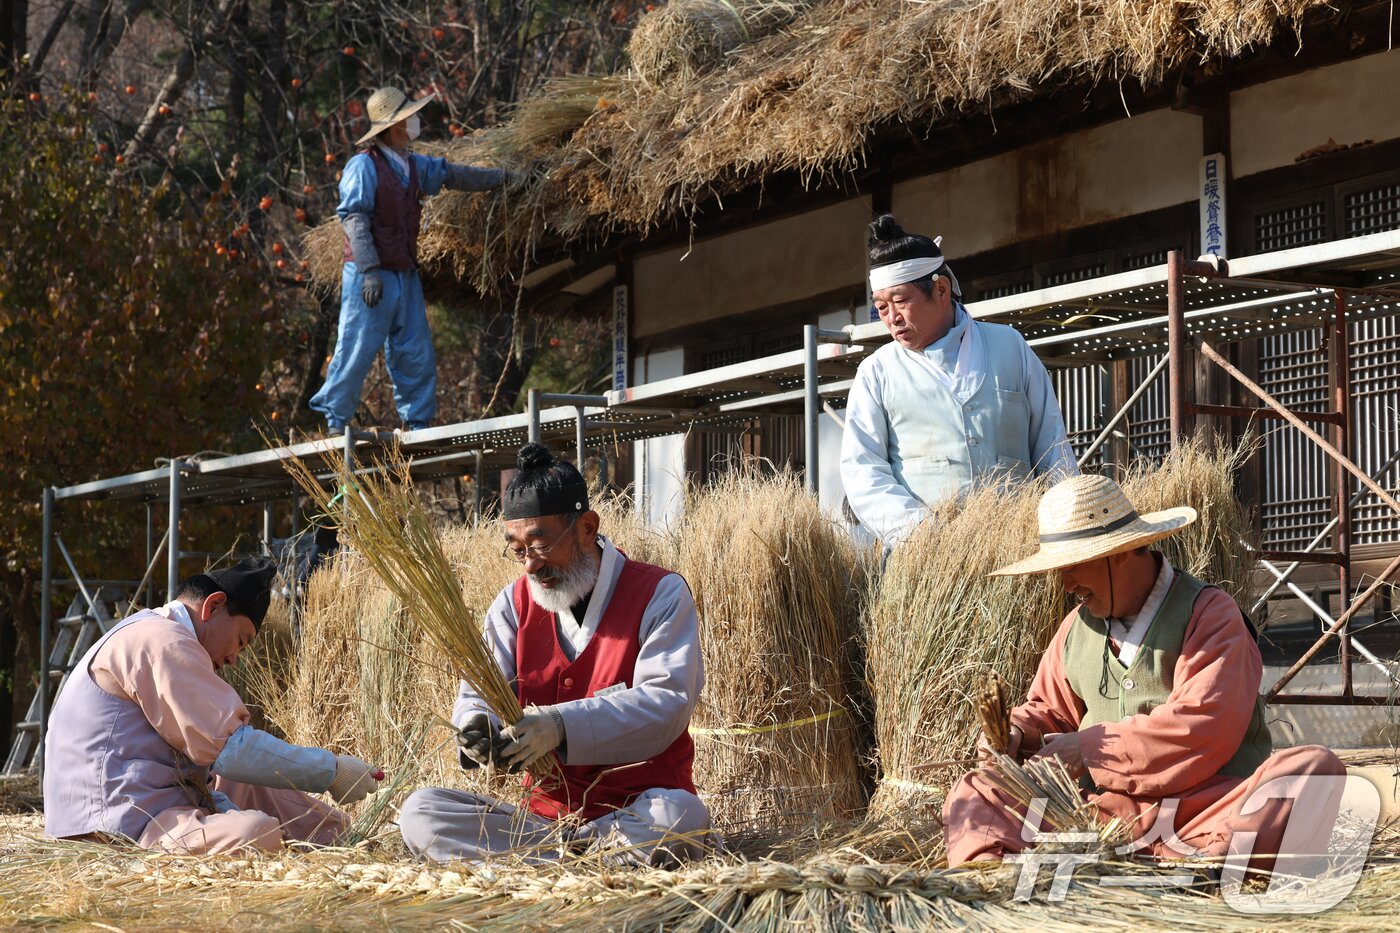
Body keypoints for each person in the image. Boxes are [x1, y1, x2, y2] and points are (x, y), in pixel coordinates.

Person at [942, 474, 1345, 869]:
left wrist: (1086, 749)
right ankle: (992, 878)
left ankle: (1213, 867)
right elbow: (1049, 709)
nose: (1066, 583)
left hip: (1204, 810)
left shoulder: (1209, 614)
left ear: (1119, 551)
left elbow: (1203, 725)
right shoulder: (1075, 630)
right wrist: (1015, 733)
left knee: (1314, 770)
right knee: (976, 790)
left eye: (1074, 566)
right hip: (1101, 818)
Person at [398, 443, 710, 864]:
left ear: (586, 527)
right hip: (544, 823)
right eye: (518, 549)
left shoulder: (659, 594)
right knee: (421, 812)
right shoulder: (512, 605)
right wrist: (476, 727)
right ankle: (575, 857)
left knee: (683, 816)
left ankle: (546, 860)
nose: (529, 566)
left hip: (636, 811)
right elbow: (479, 692)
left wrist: (560, 725)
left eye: (540, 544)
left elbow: (666, 704)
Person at [44, 558, 383, 854]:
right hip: (116, 828)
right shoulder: (163, 640)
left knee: (244, 784)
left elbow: (219, 766)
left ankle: (344, 836)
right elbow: (233, 750)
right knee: (257, 833)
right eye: (241, 640)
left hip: (137, 811)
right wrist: (332, 771)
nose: (235, 658)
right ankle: (334, 835)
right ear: (214, 605)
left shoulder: (149, 630)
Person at [840, 214, 1077, 544]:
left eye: (901, 301)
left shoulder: (1010, 346)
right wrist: (921, 531)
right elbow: (862, 470)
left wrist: (1070, 523)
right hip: (926, 561)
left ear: (940, 289)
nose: (892, 318)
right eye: (881, 307)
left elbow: (1053, 448)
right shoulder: (876, 372)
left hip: (1020, 548)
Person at [309, 85, 506, 434]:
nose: (416, 120)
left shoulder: (413, 166)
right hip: (370, 274)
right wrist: (369, 270)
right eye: (410, 116)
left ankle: (416, 421)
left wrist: (500, 179)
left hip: (404, 271)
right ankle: (336, 420)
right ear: (395, 125)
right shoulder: (363, 167)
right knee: (357, 345)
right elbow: (354, 219)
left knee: (415, 349)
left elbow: (453, 174)